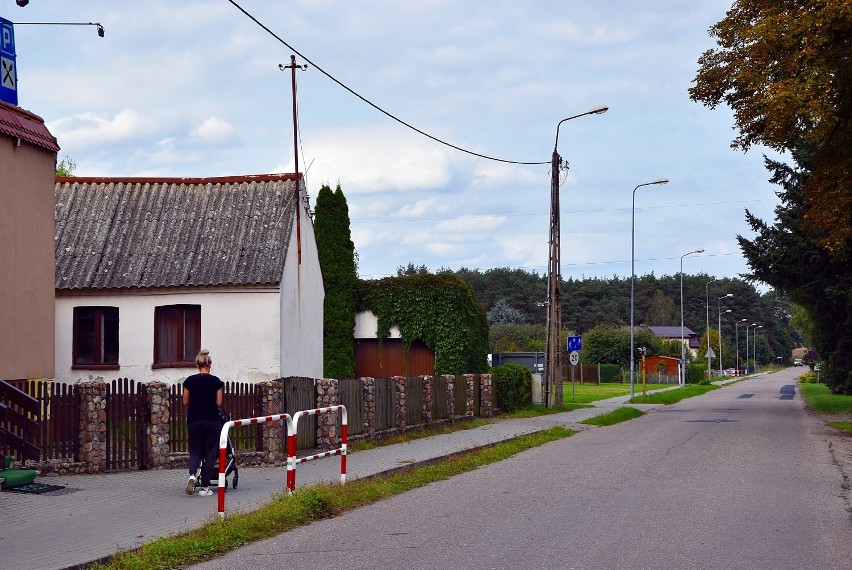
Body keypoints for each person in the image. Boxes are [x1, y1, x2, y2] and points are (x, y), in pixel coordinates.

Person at [183, 349, 224, 496]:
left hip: (194, 420)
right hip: (212, 420)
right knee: (210, 453)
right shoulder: (216, 382)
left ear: (197, 365)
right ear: (210, 365)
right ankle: (205, 487)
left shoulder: (189, 381)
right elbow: (219, 403)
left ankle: (192, 475)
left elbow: (185, 401)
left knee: (195, 450)